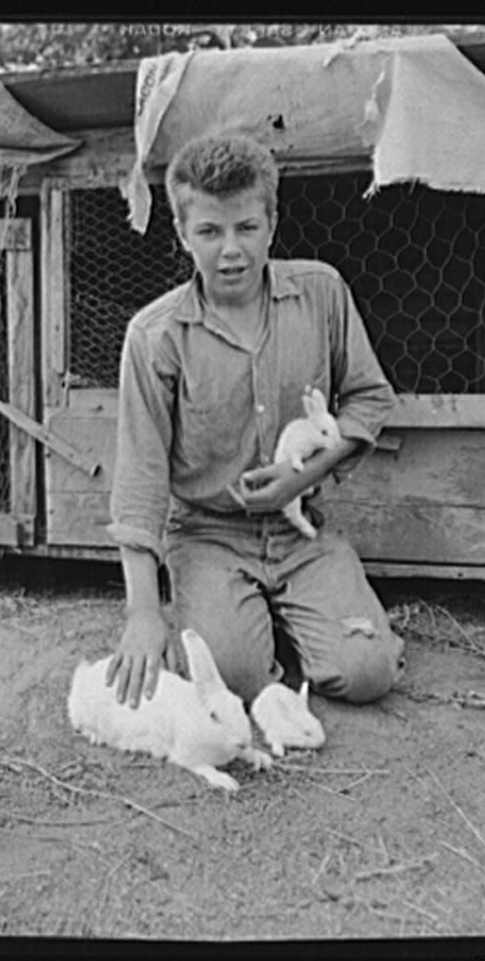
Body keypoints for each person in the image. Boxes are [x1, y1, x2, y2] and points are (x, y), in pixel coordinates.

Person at [106, 134, 397, 709]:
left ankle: (316, 623)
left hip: (301, 528)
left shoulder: (322, 293)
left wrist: (302, 479)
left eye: (246, 228)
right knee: (233, 681)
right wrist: (143, 611)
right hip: (208, 536)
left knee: (367, 673)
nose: (230, 250)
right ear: (182, 235)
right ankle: (245, 629)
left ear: (272, 221)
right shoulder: (154, 337)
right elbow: (139, 480)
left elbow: (369, 399)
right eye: (209, 232)